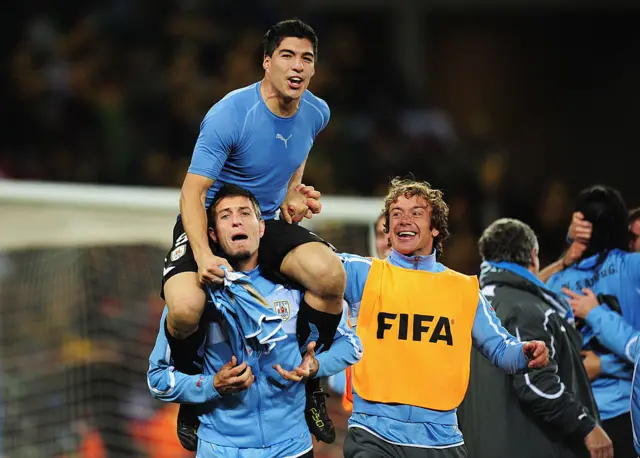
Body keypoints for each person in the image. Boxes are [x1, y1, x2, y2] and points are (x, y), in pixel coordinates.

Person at [160, 18, 344, 448]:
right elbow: (191, 192)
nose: (297, 66)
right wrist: (204, 254)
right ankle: (193, 388)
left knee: (329, 276)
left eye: (307, 59)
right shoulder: (230, 113)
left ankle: (309, 383)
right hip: (209, 220)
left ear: (314, 68)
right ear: (266, 62)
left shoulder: (318, 112)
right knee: (186, 307)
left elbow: (295, 158)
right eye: (286, 56)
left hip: (259, 221)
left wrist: (293, 193)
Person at [338, 177, 549, 458]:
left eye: (416, 213)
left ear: (435, 228)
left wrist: (526, 354)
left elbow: (501, 349)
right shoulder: (360, 273)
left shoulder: (464, 290)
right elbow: (311, 262)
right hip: (374, 434)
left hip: (441, 440)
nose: (404, 220)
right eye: (396, 214)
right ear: (387, 231)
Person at [148, 184, 363, 457]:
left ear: (261, 228)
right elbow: (157, 379)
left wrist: (316, 366)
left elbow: (352, 345)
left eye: (244, 213)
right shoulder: (195, 299)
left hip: (292, 449)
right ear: (212, 235)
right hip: (221, 450)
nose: (236, 220)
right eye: (225, 216)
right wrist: (211, 386)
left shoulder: (295, 288)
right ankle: (189, 411)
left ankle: (313, 396)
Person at [458, 218, 611, 458]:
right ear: (533, 255)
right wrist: (586, 426)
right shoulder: (526, 309)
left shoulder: (469, 305)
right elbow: (535, 383)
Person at [546, 185, 640, 458]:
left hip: (579, 419)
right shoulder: (633, 267)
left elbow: (520, 291)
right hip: (626, 413)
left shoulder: (556, 283)